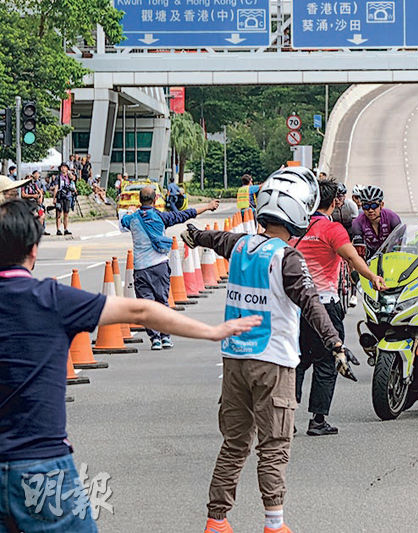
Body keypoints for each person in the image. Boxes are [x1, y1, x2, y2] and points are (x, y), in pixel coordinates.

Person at [0, 198, 259, 533]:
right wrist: (212, 332)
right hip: (42, 464)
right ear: (34, 250)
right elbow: (141, 311)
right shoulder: (49, 298)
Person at [179, 169, 358, 533]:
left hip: (234, 360)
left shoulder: (242, 245)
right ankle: (274, 524)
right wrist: (335, 344)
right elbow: (311, 304)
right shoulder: (287, 258)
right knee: (275, 444)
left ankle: (217, 521)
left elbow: (217, 238)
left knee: (234, 443)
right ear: (299, 214)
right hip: (273, 361)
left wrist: (194, 236)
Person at [290, 179, 386, 435]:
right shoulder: (331, 230)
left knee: (298, 361)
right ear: (335, 202)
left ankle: (287, 419)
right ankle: (318, 420)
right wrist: (373, 278)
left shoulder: (296, 227)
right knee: (327, 360)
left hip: (296, 306)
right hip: (324, 305)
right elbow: (353, 258)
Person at [120, 187, 219, 350]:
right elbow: (186, 214)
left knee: (146, 305)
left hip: (140, 268)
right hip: (160, 266)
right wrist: (208, 206)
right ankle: (165, 336)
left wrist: (129, 211)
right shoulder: (161, 217)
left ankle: (155, 339)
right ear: (154, 201)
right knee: (162, 302)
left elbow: (122, 221)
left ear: (140, 201)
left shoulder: (132, 219)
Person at [351, 185, 402, 258]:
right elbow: (358, 253)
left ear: (381, 205)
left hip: (391, 254)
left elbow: (401, 243)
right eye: (366, 206)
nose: (370, 210)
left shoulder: (392, 218)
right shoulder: (357, 223)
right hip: (370, 255)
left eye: (374, 205)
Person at [52, 162, 75, 236]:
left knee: (66, 213)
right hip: (60, 197)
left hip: (68, 196)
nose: (63, 168)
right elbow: (56, 187)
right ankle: (58, 229)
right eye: (62, 167)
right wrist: (54, 197)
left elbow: (73, 179)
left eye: (65, 167)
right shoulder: (58, 177)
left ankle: (65, 229)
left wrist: (69, 173)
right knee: (58, 214)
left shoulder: (69, 176)